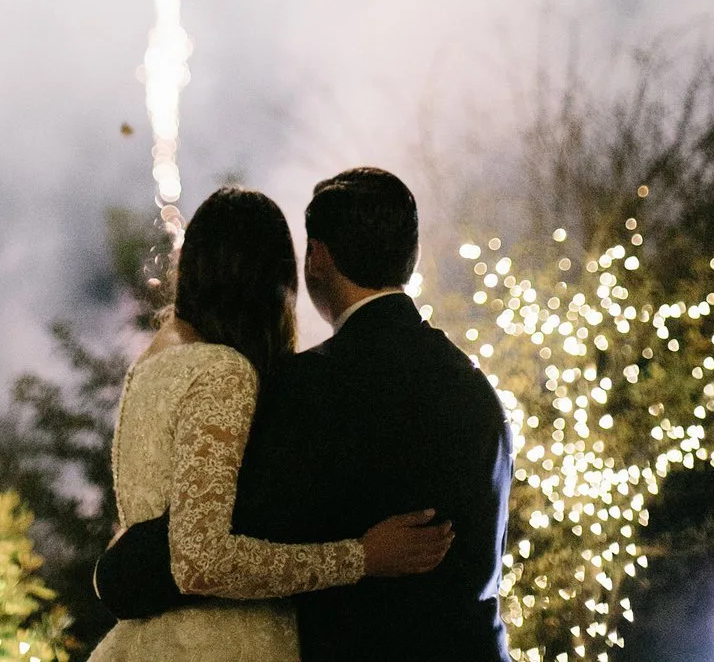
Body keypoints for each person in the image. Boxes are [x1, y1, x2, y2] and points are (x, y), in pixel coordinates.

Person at [96, 167, 513, 662]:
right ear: (409, 256)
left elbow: (211, 541)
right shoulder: (477, 390)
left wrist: (117, 570)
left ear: (317, 257)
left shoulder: (310, 388)